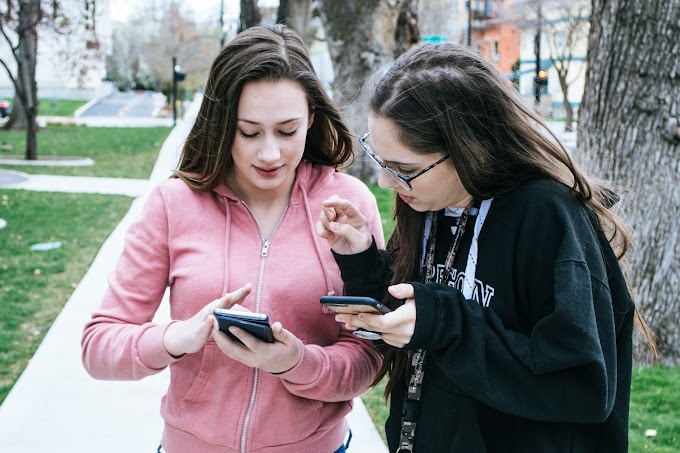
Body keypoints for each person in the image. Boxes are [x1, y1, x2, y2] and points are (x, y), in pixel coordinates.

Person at [317, 43, 654, 452]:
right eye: (380, 160)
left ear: (468, 148)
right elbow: (417, 317)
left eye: (403, 169)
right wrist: (364, 261)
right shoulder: (428, 203)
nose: (387, 183)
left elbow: (581, 383)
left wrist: (445, 322)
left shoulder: (548, 215)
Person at [82, 25, 385, 453]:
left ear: (312, 120)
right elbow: (98, 346)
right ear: (223, 124)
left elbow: (371, 354)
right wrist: (176, 339)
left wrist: (298, 363)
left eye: (287, 130)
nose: (269, 154)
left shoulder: (348, 204)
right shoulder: (173, 203)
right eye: (248, 132)